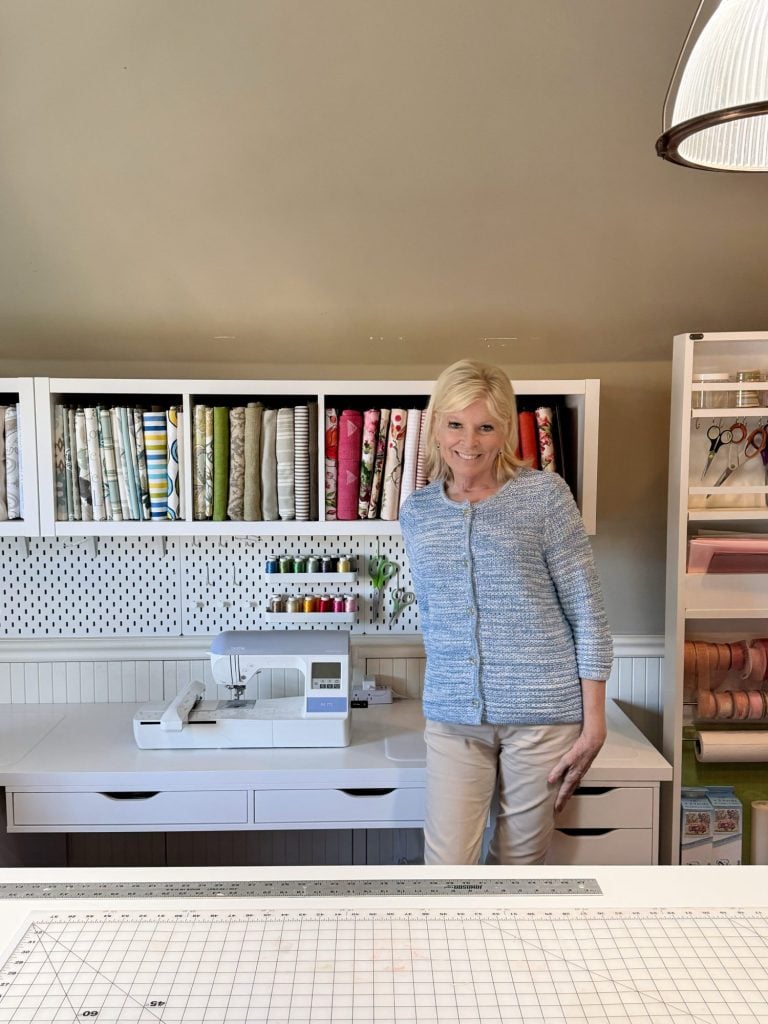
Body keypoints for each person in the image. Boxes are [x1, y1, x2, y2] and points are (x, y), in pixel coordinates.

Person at [399, 359, 613, 865]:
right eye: (455, 423)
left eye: (485, 426)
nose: (468, 441)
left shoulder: (544, 496)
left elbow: (588, 609)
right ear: (436, 426)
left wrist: (595, 722)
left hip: (542, 718)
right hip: (454, 718)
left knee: (519, 870)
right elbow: (434, 614)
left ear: (505, 432)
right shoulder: (418, 511)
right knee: (447, 868)